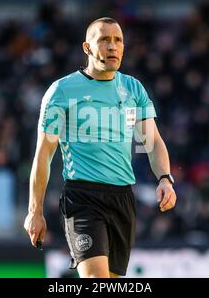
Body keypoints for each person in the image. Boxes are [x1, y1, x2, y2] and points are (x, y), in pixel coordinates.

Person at [24, 17, 177, 278]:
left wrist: (165, 178)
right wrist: (34, 211)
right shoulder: (61, 91)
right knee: (96, 278)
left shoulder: (133, 89)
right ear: (87, 47)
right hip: (82, 197)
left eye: (118, 40)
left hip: (122, 198)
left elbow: (152, 142)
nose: (112, 46)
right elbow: (44, 155)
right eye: (104, 40)